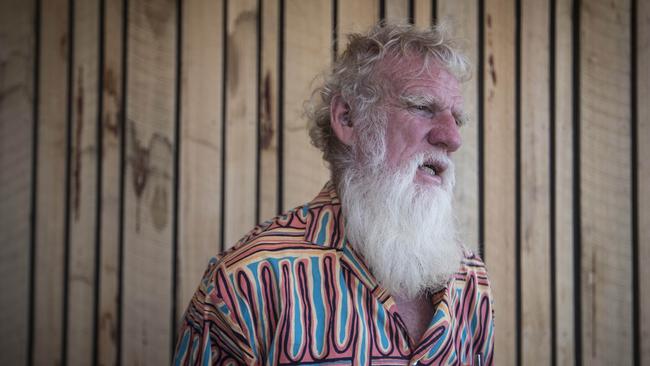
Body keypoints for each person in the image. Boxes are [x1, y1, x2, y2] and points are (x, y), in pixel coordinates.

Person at [174, 23, 494, 365]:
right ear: (348, 119)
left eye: (456, 119)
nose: (452, 137)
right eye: (421, 107)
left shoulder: (470, 278)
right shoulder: (247, 281)